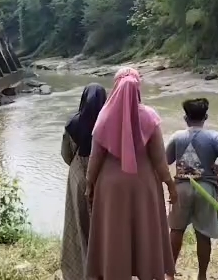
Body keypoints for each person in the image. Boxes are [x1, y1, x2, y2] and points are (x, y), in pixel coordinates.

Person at [85, 67, 177, 280]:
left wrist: (89, 185)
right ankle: (145, 272)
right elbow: (159, 159)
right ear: (138, 89)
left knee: (113, 232)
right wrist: (170, 185)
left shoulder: (104, 116)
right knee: (145, 230)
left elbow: (95, 158)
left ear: (115, 86)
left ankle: (113, 272)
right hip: (143, 184)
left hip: (111, 187)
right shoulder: (150, 116)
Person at [166, 97, 218, 280]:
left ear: (185, 118)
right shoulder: (214, 137)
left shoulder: (177, 136)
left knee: (176, 230)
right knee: (203, 233)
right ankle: (201, 276)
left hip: (182, 187)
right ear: (205, 117)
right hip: (206, 188)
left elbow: (164, 161)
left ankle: (169, 274)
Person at [60, 83, 107, 280]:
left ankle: (82, 271)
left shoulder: (73, 124)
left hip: (78, 176)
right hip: (105, 178)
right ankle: (106, 268)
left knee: (80, 223)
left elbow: (66, 154)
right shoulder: (110, 123)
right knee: (105, 225)